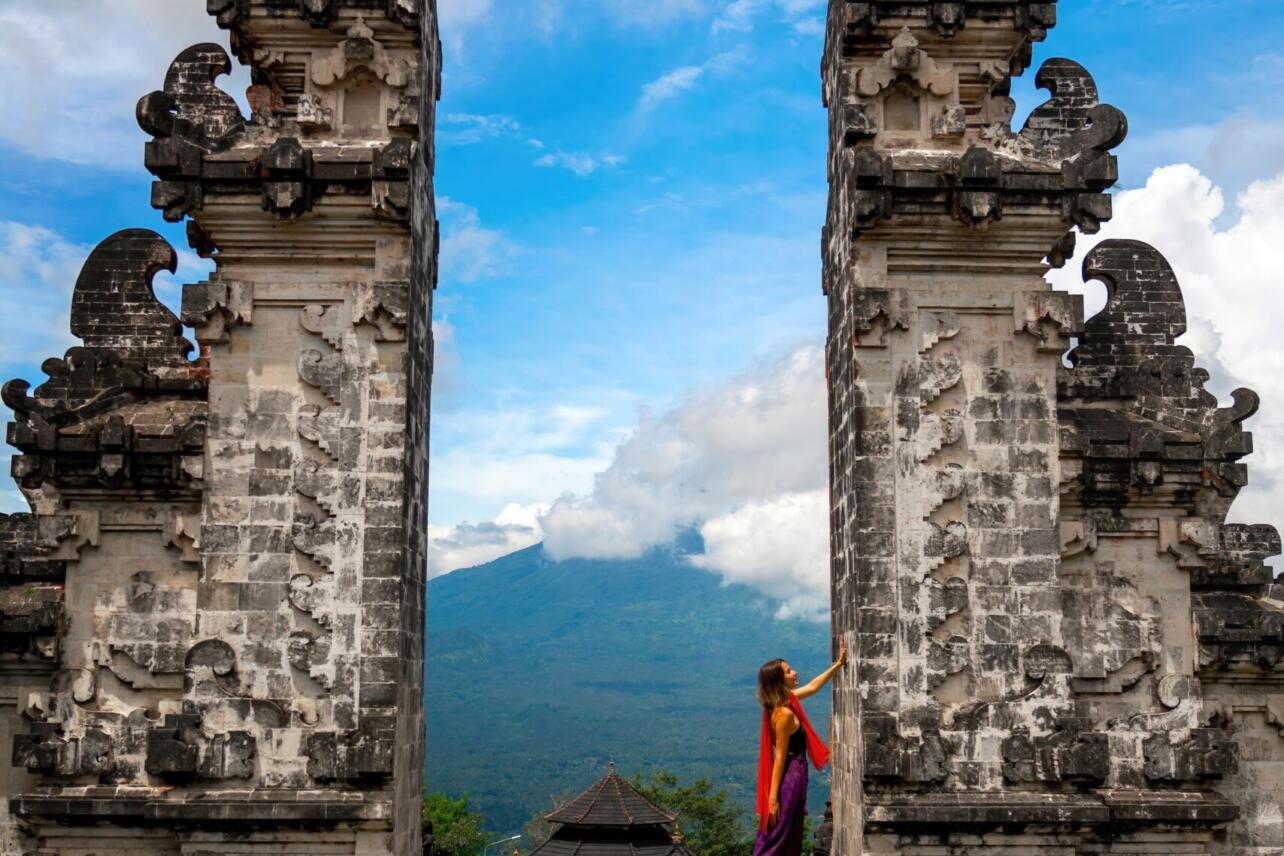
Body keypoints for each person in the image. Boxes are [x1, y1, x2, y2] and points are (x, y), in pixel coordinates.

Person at [753, 638, 847, 856]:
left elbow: (813, 687)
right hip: (791, 775)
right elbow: (779, 758)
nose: (794, 672)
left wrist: (838, 664)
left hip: (794, 772)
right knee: (781, 832)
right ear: (779, 681)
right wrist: (773, 799)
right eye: (788, 671)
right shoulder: (784, 714)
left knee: (789, 830)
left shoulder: (783, 702)